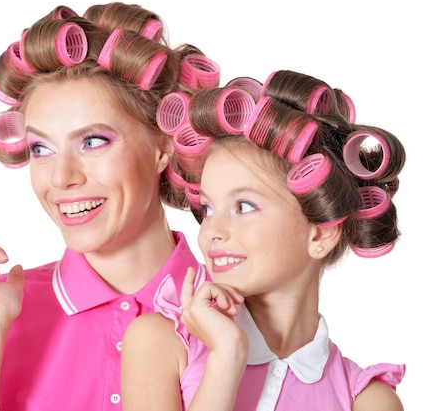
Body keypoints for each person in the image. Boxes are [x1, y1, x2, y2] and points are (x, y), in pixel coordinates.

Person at [0, 1, 224, 411]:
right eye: (42, 148)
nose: (61, 177)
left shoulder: (234, 313)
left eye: (92, 142)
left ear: (162, 145)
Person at [121, 69, 406, 410]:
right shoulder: (161, 344)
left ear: (321, 233)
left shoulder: (367, 401)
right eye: (209, 208)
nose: (211, 231)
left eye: (244, 206)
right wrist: (226, 356)